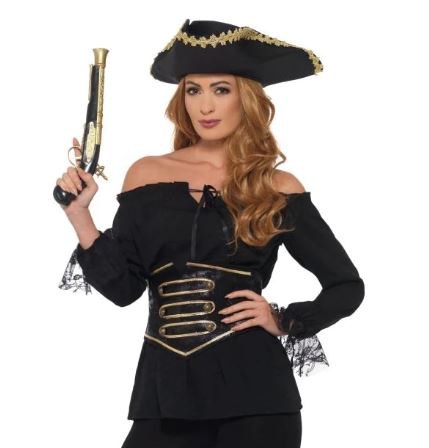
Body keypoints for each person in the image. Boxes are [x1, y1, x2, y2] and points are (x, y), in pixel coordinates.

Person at [57, 19, 365, 448]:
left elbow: (346, 286)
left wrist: (281, 319)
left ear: (247, 98)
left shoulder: (276, 186)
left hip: (257, 396)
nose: (205, 106)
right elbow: (124, 289)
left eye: (221, 90)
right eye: (193, 90)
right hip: (164, 393)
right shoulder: (146, 175)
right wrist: (80, 216)